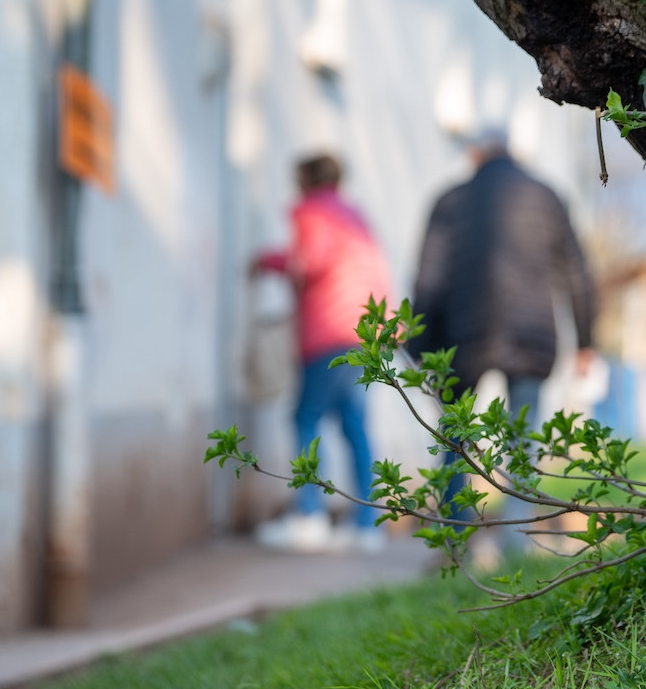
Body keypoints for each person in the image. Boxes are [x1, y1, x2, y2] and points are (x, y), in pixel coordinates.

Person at [409, 124, 596, 557]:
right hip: (532, 336)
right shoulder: (546, 196)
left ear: (475, 154)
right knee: (522, 440)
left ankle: (453, 540)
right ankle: (519, 541)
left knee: (455, 436)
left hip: (461, 336)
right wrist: (586, 339)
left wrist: (420, 347)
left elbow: (429, 276)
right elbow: (576, 271)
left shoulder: (449, 200)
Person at [251, 153, 392, 553]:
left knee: (306, 418)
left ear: (308, 179)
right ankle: (368, 523)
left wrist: (267, 261)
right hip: (364, 332)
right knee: (354, 426)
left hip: (329, 331)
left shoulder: (313, 213)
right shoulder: (353, 215)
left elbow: (309, 262)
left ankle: (309, 515)